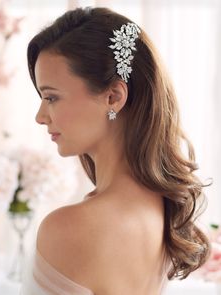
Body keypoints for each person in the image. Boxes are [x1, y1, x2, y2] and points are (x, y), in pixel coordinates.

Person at [21, 6, 210, 295]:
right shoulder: (161, 211)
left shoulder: (67, 228)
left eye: (51, 97)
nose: (40, 116)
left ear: (114, 96)